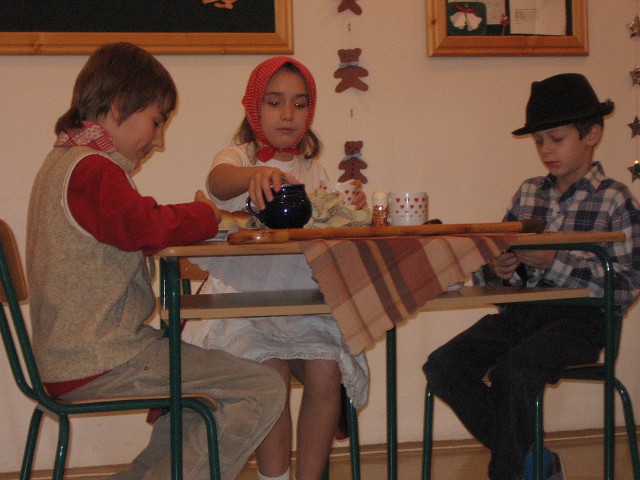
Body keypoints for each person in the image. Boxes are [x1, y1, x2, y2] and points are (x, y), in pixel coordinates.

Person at [26, 42, 286, 480]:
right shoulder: (92, 170)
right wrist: (206, 214)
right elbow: (145, 226)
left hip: (79, 354)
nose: (160, 140)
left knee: (197, 396)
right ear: (118, 106)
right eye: (157, 121)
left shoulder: (65, 162)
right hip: (96, 358)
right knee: (261, 387)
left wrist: (195, 218)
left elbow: (134, 225)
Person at [423, 73, 640, 480]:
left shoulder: (615, 198)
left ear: (592, 134)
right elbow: (495, 267)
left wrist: (553, 261)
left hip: (583, 321)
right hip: (523, 315)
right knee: (443, 365)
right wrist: (499, 268)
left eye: (556, 139)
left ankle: (511, 470)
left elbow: (626, 287)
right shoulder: (528, 192)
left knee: (514, 371)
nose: (546, 150)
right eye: (539, 141)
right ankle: (533, 460)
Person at [181, 56, 370, 480]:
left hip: (301, 305)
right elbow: (217, 181)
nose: (288, 114)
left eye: (300, 104)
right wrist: (256, 173)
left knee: (326, 372)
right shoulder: (237, 157)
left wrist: (348, 207)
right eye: (275, 102)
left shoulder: (314, 171)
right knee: (272, 373)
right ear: (254, 108)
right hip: (242, 309)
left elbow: (328, 231)